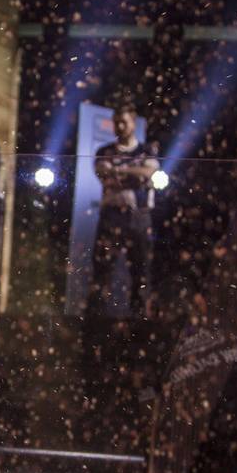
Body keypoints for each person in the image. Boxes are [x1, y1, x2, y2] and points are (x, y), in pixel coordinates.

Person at [91, 104, 159, 317]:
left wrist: (120, 169)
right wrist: (132, 174)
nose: (120, 126)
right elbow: (103, 173)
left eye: (124, 122)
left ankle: (138, 320)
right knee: (103, 268)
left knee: (141, 270)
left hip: (139, 216)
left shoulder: (146, 150)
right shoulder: (104, 151)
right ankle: (96, 318)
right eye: (117, 122)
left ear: (133, 123)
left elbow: (148, 172)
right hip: (111, 216)